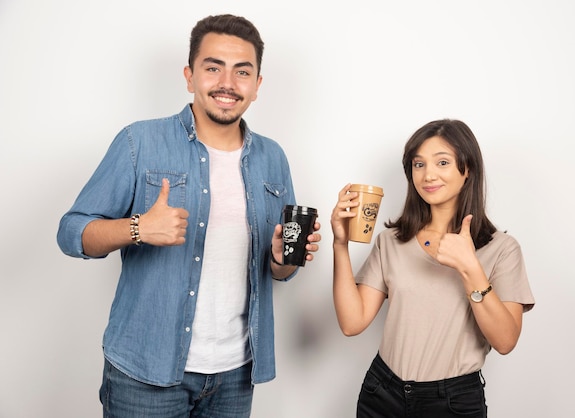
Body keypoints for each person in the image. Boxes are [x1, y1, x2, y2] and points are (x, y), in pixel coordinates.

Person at [57, 14, 321, 418]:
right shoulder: (139, 141)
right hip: (145, 373)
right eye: (213, 67)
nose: (227, 83)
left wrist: (282, 260)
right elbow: (71, 232)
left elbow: (282, 272)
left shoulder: (273, 158)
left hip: (235, 375)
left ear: (257, 85)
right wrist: (137, 228)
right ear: (189, 75)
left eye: (242, 71)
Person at [330, 119, 534, 417]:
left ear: (468, 170)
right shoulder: (392, 241)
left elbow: (505, 341)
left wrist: (470, 268)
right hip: (382, 392)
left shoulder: (502, 249)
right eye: (419, 164)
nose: (428, 175)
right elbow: (352, 322)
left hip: (452, 402)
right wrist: (340, 245)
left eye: (442, 162)